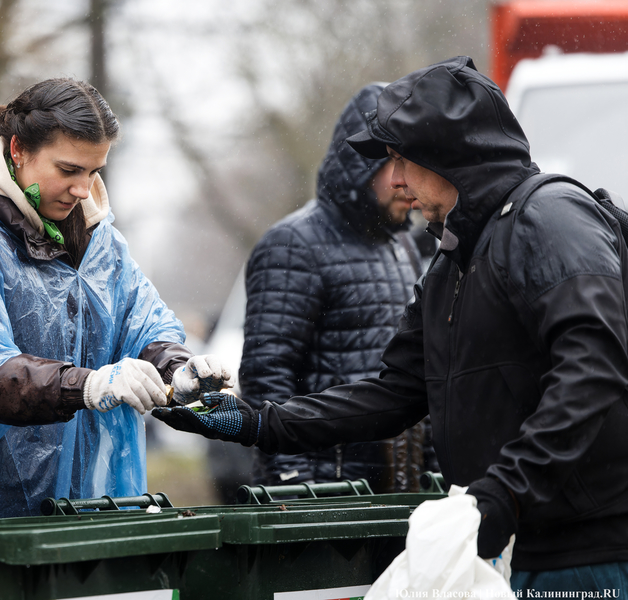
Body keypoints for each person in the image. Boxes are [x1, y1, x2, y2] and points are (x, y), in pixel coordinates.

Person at [154, 56, 628, 592]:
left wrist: (505, 493)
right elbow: (394, 394)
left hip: (595, 550)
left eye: (402, 158)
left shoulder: (552, 216)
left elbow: (594, 367)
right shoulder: (451, 261)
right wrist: (257, 421)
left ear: (450, 156)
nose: (396, 179)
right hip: (511, 548)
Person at [0, 78, 233, 519]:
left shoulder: (96, 242)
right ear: (17, 150)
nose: (82, 189)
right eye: (69, 170)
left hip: (66, 509)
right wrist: (89, 385)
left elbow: (141, 322)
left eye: (94, 172)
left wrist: (178, 368)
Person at [240, 83, 435, 493]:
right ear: (359, 164)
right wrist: (293, 488)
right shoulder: (293, 243)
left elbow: (421, 376)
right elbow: (266, 378)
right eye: (395, 164)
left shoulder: (403, 244)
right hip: (325, 497)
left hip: (398, 494)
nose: (407, 181)